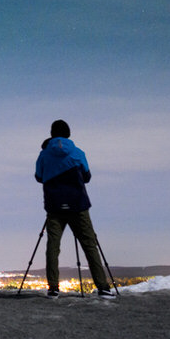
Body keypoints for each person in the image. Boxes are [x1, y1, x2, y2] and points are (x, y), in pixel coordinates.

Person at [34, 119, 113, 297]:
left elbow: (39, 176)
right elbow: (87, 177)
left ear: (52, 134)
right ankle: (102, 287)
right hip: (78, 205)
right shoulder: (78, 153)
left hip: (54, 206)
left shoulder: (44, 155)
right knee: (90, 245)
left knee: (53, 246)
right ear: (68, 133)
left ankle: (53, 288)